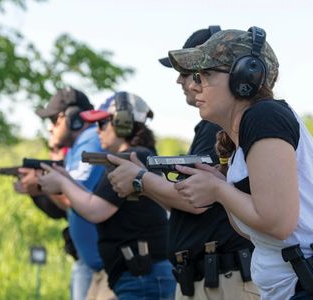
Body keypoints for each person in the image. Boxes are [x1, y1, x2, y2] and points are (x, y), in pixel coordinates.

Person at [166, 27, 313, 299]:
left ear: (245, 77)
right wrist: (221, 186)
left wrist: (218, 191)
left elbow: (278, 222)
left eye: (206, 75)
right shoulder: (243, 138)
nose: (193, 85)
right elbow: (256, 232)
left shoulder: (264, 116)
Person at [106, 26, 260, 300]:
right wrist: (143, 183)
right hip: (209, 278)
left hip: (227, 278)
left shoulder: (219, 125)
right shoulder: (213, 126)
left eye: (193, 72)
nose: (181, 81)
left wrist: (140, 179)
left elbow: (197, 201)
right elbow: (189, 200)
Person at [37, 92, 176, 300]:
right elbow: (101, 202)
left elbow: (95, 210)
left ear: (123, 124)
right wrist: (67, 180)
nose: (97, 131)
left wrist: (63, 184)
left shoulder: (130, 159)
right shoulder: (136, 156)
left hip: (142, 277)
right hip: (139, 275)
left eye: (102, 124)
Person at [17, 87, 114, 300]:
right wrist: (39, 187)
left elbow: (74, 197)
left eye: (54, 120)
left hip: (106, 264)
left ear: (73, 118)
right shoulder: (79, 145)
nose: (50, 128)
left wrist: (41, 184)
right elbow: (70, 202)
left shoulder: (90, 139)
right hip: (94, 262)